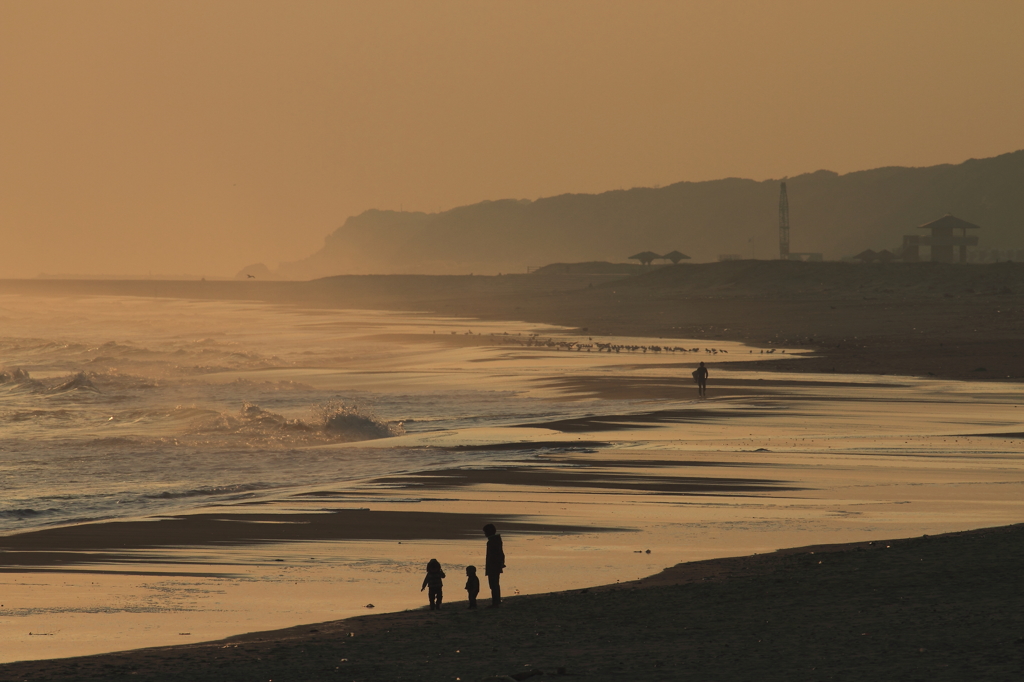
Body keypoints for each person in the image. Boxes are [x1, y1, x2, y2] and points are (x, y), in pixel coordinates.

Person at [483, 523, 505, 607]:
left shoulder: (493, 541)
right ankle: (496, 601)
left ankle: (495, 602)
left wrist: (499, 563)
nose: (485, 534)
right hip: (494, 565)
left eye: (485, 532)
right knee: (494, 584)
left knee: (493, 584)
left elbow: (496, 554)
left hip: (493, 566)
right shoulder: (495, 540)